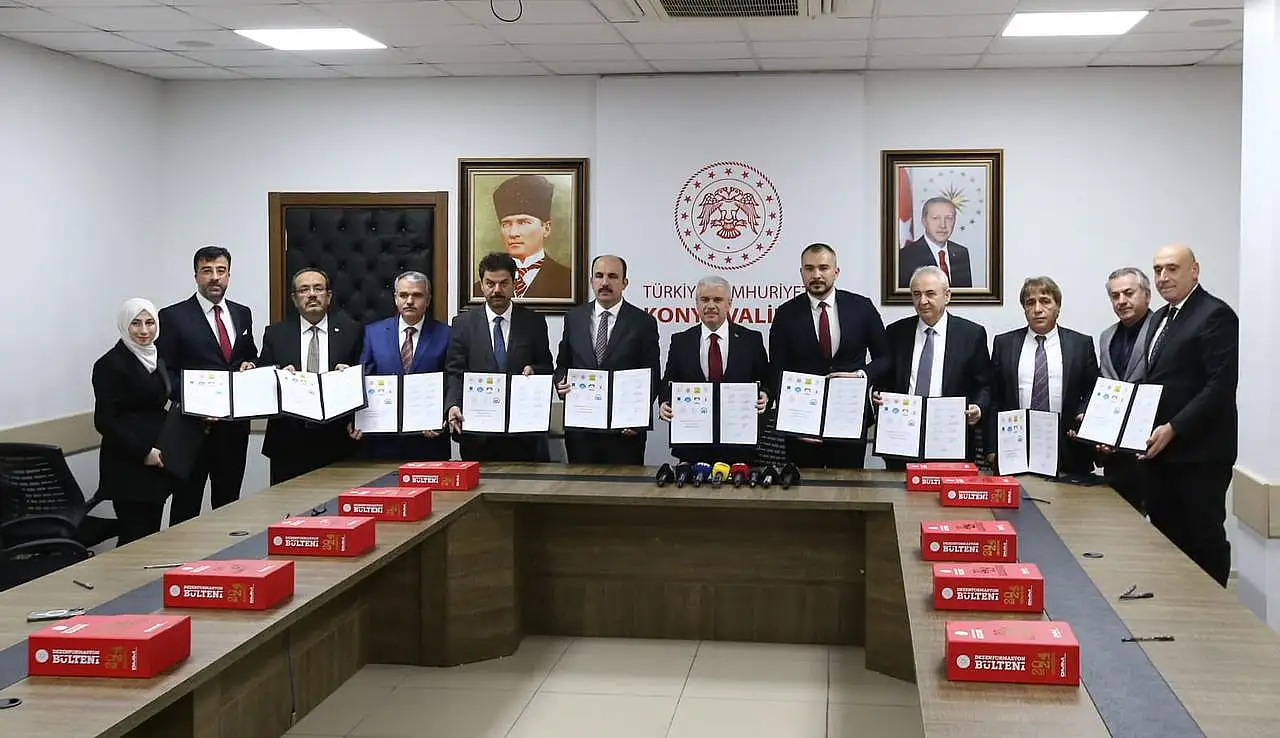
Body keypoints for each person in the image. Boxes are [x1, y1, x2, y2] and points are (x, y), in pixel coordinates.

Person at [1141, 245, 1238, 587]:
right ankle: (1175, 604)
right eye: (1157, 270)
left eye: (1172, 268)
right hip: (1161, 456)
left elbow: (1220, 386)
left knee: (1203, 540)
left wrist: (1174, 427)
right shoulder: (1160, 317)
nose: (1163, 277)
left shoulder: (1215, 314)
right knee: (1167, 540)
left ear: (1194, 270)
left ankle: (1213, 609)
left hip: (1200, 456)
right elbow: (1156, 382)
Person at [156, 245, 257, 525]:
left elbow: (250, 355)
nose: (215, 277)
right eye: (207, 271)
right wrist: (196, 403)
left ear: (229, 275)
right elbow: (166, 372)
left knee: (229, 506)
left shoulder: (242, 313)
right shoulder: (173, 316)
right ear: (196, 276)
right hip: (192, 429)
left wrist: (251, 365)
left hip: (233, 428)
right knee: (186, 508)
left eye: (221, 271)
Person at [769, 243, 889, 469]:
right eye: (809, 268)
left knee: (849, 486)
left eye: (823, 268)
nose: (816, 275)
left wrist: (862, 375)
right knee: (802, 487)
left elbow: (884, 357)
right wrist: (793, 422)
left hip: (850, 418)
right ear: (802, 273)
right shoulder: (785, 314)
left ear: (836, 271)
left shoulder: (862, 307)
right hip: (801, 426)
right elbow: (777, 370)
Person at [258, 268, 364, 484]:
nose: (312, 294)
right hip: (289, 440)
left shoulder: (352, 331)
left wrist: (349, 377)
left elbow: (366, 380)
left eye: (318, 288)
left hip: (338, 438)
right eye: (304, 289)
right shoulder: (275, 334)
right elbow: (263, 383)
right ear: (294, 298)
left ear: (329, 296)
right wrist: (278, 377)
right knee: (288, 504)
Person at [877, 266, 989, 468]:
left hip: (950, 439)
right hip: (902, 437)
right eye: (916, 294)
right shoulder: (896, 332)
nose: (922, 301)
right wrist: (878, 394)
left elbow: (985, 384)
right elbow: (885, 379)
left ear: (947, 296)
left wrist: (978, 407)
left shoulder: (971, 334)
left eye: (930, 294)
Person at [447, 252, 555, 461]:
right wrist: (453, 404)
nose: (497, 290)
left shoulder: (533, 322)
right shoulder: (462, 324)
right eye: (490, 283)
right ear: (481, 285)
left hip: (524, 434)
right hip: (478, 434)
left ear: (514, 283)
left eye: (504, 283)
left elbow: (547, 366)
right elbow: (454, 371)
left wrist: (534, 370)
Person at [555, 254, 660, 465]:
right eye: (599, 276)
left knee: (624, 486)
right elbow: (562, 365)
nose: (605, 282)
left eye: (612, 276)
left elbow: (652, 375)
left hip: (624, 433)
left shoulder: (643, 322)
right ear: (591, 281)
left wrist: (638, 419)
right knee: (580, 485)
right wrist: (560, 381)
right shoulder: (574, 318)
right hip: (581, 431)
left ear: (624, 283)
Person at [988, 276, 1099, 475]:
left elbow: (1093, 390)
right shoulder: (1004, 344)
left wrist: (1081, 415)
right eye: (1030, 303)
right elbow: (994, 398)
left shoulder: (1080, 345)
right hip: (1015, 446)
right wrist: (991, 447)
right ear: (1024, 309)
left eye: (1045, 301)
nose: (1037, 309)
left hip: (1068, 447)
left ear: (1058, 307)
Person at [659, 276, 770, 465]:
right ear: (696, 304)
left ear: (729, 304)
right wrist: (663, 403)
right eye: (704, 299)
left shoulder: (751, 340)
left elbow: (766, 380)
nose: (710, 306)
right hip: (692, 447)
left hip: (739, 447)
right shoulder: (681, 341)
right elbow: (668, 381)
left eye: (717, 300)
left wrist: (765, 395)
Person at [92, 299, 172, 546]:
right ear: (124, 325)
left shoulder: (156, 358)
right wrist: (143, 451)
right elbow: (105, 420)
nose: (144, 330)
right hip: (128, 464)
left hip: (156, 464)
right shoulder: (110, 364)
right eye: (136, 323)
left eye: (150, 323)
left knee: (151, 537)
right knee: (133, 539)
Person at [355, 271, 451, 461]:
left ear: (428, 299)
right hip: (383, 439)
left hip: (428, 439)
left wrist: (441, 416)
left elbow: (452, 381)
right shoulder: (373, 333)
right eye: (403, 295)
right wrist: (357, 419)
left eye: (417, 295)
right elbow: (363, 378)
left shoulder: (446, 334)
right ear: (395, 298)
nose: (409, 301)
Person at [1097, 267, 1156, 513]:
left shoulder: (1162, 331)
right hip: (1115, 457)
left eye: (1128, 293)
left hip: (1151, 450)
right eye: (1115, 296)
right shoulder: (1106, 336)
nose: (1121, 301)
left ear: (1147, 295)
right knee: (1116, 519)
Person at [472, 174, 572, 300]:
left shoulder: (568, 281)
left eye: (523, 222)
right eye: (506, 224)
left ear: (546, 228)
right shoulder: (477, 290)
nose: (513, 233)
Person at [897, 197, 974, 289]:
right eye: (935, 218)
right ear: (924, 221)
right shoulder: (905, 257)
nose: (943, 225)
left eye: (949, 218)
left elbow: (965, 295)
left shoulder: (961, 253)